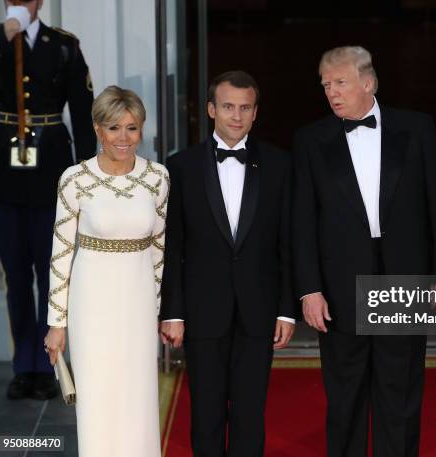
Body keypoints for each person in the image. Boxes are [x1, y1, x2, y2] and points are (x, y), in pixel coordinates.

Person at [292, 46, 436, 457]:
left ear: (369, 82)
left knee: (399, 397)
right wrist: (309, 289)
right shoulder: (310, 140)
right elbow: (302, 223)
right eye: (326, 85)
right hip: (339, 288)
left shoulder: (416, 129)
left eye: (340, 82)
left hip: (404, 283)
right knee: (344, 399)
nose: (332, 92)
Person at [160, 70, 296, 457]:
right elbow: (175, 244)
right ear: (210, 109)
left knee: (251, 414)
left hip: (260, 308)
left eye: (245, 108)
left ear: (255, 113)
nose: (236, 116)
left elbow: (288, 241)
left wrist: (286, 311)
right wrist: (174, 311)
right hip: (203, 311)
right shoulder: (181, 166)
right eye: (228, 106)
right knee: (205, 412)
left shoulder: (280, 164)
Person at [43, 86, 168, 457]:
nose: (124, 138)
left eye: (132, 128)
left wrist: (159, 310)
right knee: (98, 399)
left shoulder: (158, 177)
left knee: (139, 397)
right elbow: (61, 253)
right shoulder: (74, 179)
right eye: (114, 128)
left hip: (139, 302)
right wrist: (56, 322)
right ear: (98, 129)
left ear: (141, 129)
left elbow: (160, 249)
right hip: (91, 304)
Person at [0, 0, 95, 400]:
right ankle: (24, 366)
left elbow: (84, 109)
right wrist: (5, 36)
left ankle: (47, 362)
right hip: (4, 170)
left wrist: (90, 175)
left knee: (51, 272)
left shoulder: (64, 45)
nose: (19, 3)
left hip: (51, 169)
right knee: (15, 273)